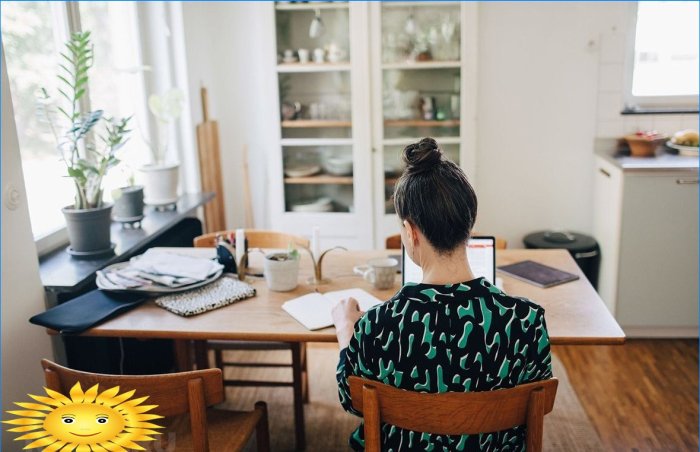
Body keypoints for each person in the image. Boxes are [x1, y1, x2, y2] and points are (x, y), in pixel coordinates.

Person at [333, 137, 553, 451]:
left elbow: (351, 399)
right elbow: (540, 405)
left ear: (409, 232)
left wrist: (345, 331)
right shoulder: (527, 320)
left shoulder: (378, 325)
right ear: (470, 225)